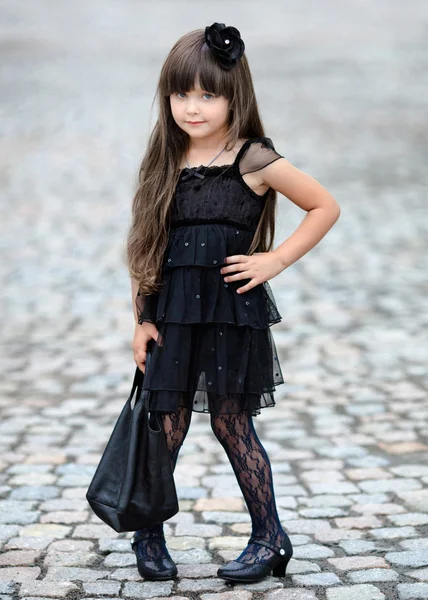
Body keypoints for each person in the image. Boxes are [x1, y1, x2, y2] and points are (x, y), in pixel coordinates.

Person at [125, 22, 340, 584]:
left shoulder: (254, 159)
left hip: (229, 313)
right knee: (164, 421)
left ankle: (270, 536)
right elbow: (146, 244)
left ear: (233, 94)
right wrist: (141, 319)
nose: (192, 108)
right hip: (172, 313)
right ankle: (149, 534)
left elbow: (324, 206)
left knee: (231, 423)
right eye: (180, 94)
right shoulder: (164, 159)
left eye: (207, 94)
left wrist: (274, 260)